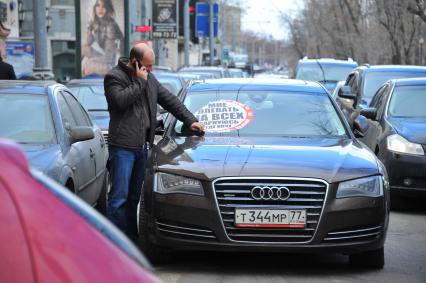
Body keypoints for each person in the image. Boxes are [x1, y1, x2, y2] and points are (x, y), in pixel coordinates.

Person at [104, 43, 204, 242]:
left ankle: (131, 242)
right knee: (118, 199)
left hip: (142, 148)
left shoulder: (149, 79)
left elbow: (170, 100)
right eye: (147, 66)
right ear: (135, 62)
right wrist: (139, 82)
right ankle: (113, 245)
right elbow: (119, 102)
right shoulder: (114, 77)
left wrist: (191, 120)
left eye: (151, 66)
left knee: (133, 199)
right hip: (123, 148)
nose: (150, 70)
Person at [82, 0, 123, 77]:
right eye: (98, 5)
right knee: (85, 64)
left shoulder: (110, 26)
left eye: (103, 6)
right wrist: (89, 28)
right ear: (94, 7)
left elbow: (109, 57)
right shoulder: (94, 23)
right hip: (103, 58)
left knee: (87, 66)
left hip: (111, 63)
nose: (100, 9)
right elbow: (86, 47)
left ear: (108, 8)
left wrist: (91, 60)